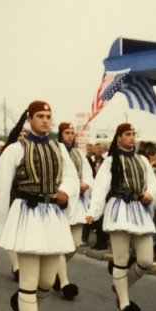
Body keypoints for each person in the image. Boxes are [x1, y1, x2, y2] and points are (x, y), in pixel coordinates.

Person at [0, 100, 78, 311]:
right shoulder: (16, 149)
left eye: (49, 116)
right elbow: (0, 187)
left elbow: (70, 176)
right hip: (27, 213)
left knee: (47, 282)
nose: (45, 120)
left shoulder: (59, 147)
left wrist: (67, 192)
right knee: (29, 279)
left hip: (51, 216)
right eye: (40, 116)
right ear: (29, 119)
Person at [86, 123, 156, 311]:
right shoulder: (111, 162)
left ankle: (121, 284)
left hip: (139, 209)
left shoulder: (142, 160)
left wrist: (149, 193)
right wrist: (93, 212)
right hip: (119, 209)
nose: (131, 138)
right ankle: (125, 303)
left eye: (133, 134)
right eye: (127, 134)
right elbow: (100, 188)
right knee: (121, 258)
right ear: (118, 137)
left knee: (146, 261)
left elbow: (152, 182)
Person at [53, 121, 93, 300]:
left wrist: (85, 184)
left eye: (72, 132)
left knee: (74, 244)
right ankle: (64, 282)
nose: (70, 135)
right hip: (61, 203)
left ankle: (54, 271)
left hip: (77, 205)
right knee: (61, 244)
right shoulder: (54, 151)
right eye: (66, 132)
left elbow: (88, 174)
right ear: (60, 134)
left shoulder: (79, 154)